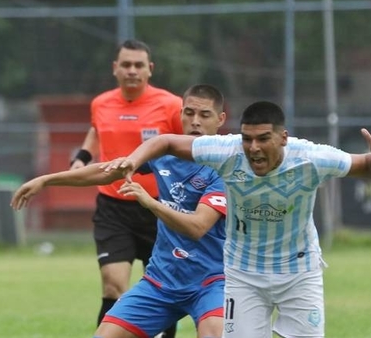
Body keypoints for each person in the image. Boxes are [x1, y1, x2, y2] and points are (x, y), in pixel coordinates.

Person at [103, 100, 371, 338]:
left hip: (298, 272)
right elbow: (165, 142)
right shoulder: (227, 151)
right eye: (247, 139)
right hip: (243, 275)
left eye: (262, 139)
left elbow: (368, 166)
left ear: (283, 138)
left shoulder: (311, 157)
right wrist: (134, 160)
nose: (253, 148)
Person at [11, 84, 228, 338]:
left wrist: (151, 203)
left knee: (214, 335)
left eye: (204, 115)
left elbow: (197, 227)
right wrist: (47, 180)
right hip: (162, 281)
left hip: (211, 283)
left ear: (220, 120)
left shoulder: (227, 166)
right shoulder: (164, 155)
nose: (195, 122)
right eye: (188, 113)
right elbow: (108, 171)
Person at [69, 39, 183, 337]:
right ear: (115, 68)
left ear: (150, 69)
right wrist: (82, 158)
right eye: (126, 64)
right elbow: (97, 129)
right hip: (113, 206)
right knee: (112, 283)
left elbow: (187, 145)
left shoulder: (171, 105)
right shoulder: (101, 103)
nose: (132, 70)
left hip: (159, 207)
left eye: (138, 65)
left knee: (162, 287)